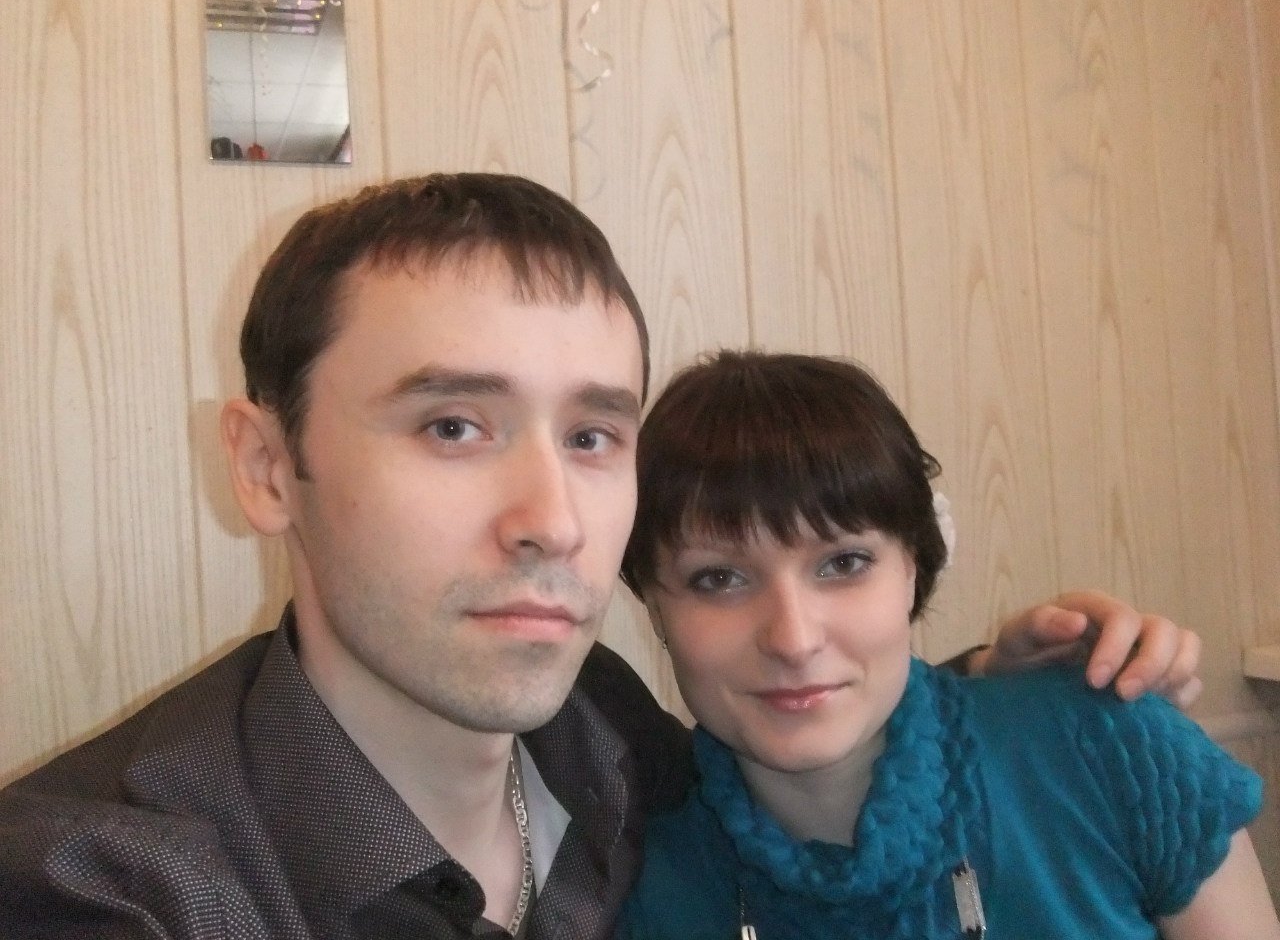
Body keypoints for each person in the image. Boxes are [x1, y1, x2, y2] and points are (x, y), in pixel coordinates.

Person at [0, 175, 1204, 940]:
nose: (554, 521)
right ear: (268, 468)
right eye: (452, 427)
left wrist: (997, 689)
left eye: (590, 437)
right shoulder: (102, 886)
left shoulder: (608, 738)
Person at [615, 350, 1277, 940]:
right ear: (654, 604)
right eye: (720, 579)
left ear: (915, 566)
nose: (793, 638)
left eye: (843, 563)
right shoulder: (639, 883)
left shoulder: (1109, 748)